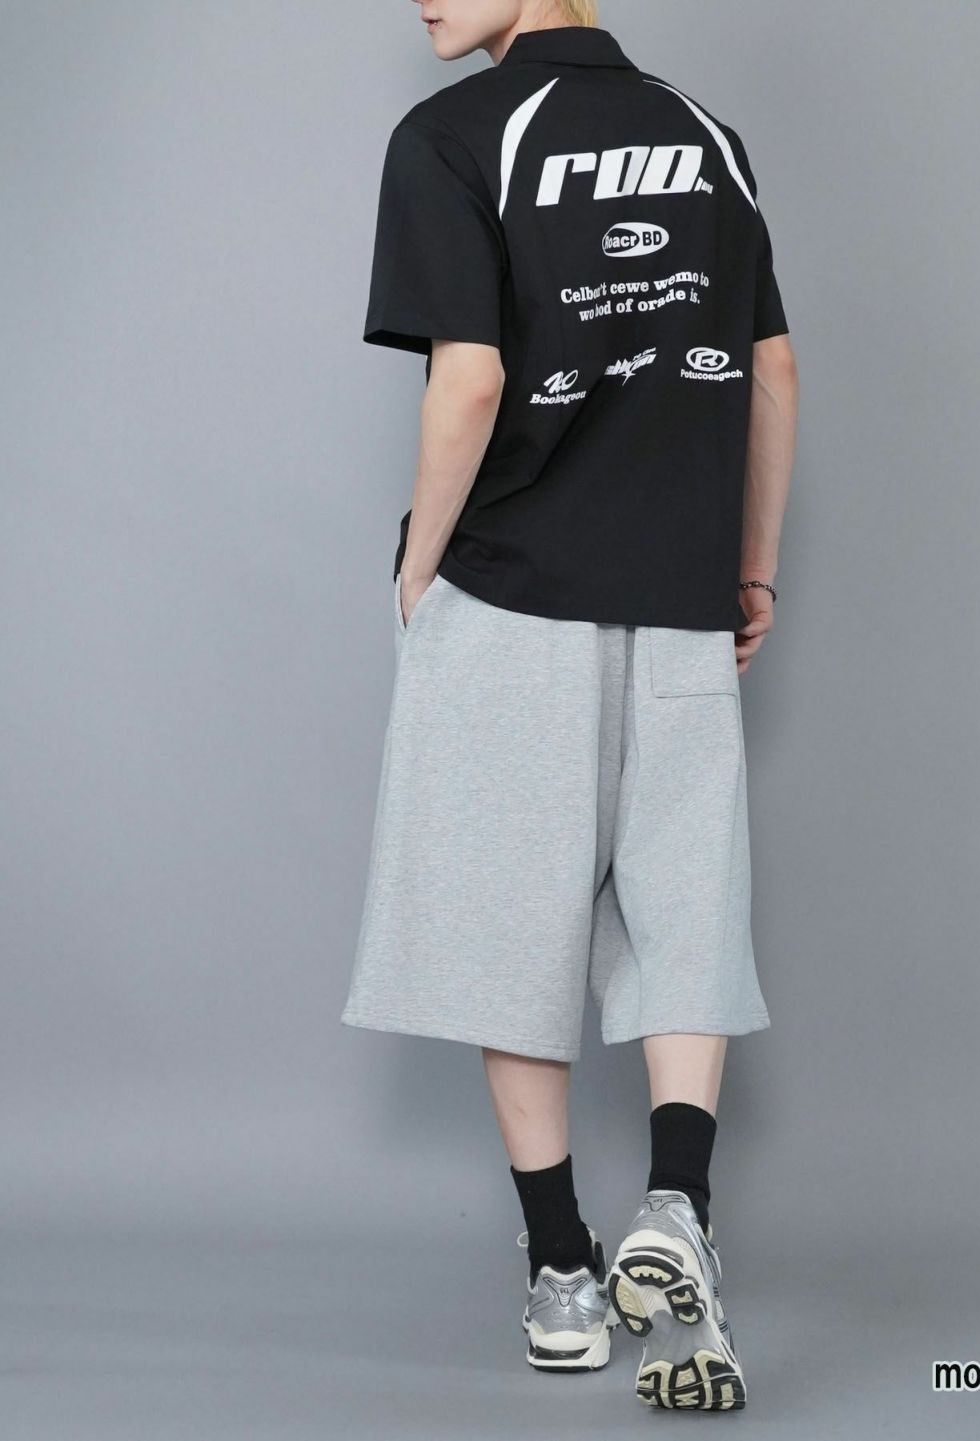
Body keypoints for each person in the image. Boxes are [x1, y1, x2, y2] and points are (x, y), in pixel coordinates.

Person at [340, 0, 799, 1412]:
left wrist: (418, 564)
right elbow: (773, 370)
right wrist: (748, 571)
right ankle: (679, 1200)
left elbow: (470, 378)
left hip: (513, 590)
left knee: (510, 921)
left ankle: (560, 1270)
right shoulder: (709, 140)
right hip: (681, 590)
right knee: (685, 902)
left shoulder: (454, 137)